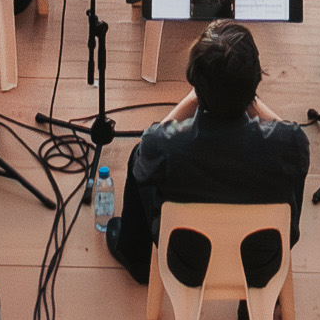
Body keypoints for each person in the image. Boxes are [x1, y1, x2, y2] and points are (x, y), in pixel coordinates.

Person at [105, 16, 309, 290]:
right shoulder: (290, 142)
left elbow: (149, 145)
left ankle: (137, 257)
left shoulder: (165, 146)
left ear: (194, 80)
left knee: (139, 158)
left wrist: (192, 98)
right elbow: (289, 133)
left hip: (187, 264)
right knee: (288, 167)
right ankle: (252, 306)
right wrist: (250, 99)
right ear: (256, 80)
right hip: (263, 264)